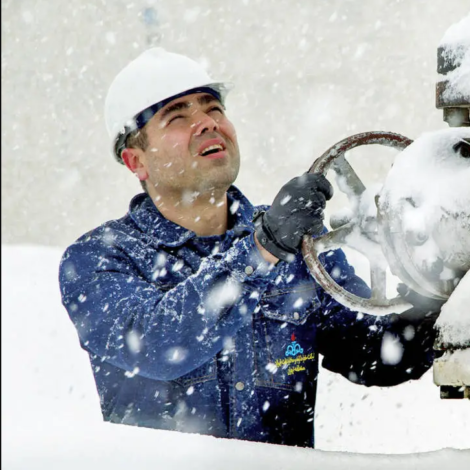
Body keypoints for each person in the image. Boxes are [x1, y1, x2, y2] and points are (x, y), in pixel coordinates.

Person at [58, 47, 442, 448]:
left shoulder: (300, 247)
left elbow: (378, 354)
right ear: (136, 161)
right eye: (178, 116)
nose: (207, 124)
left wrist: (436, 286)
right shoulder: (99, 260)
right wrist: (262, 249)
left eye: (213, 109)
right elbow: (158, 344)